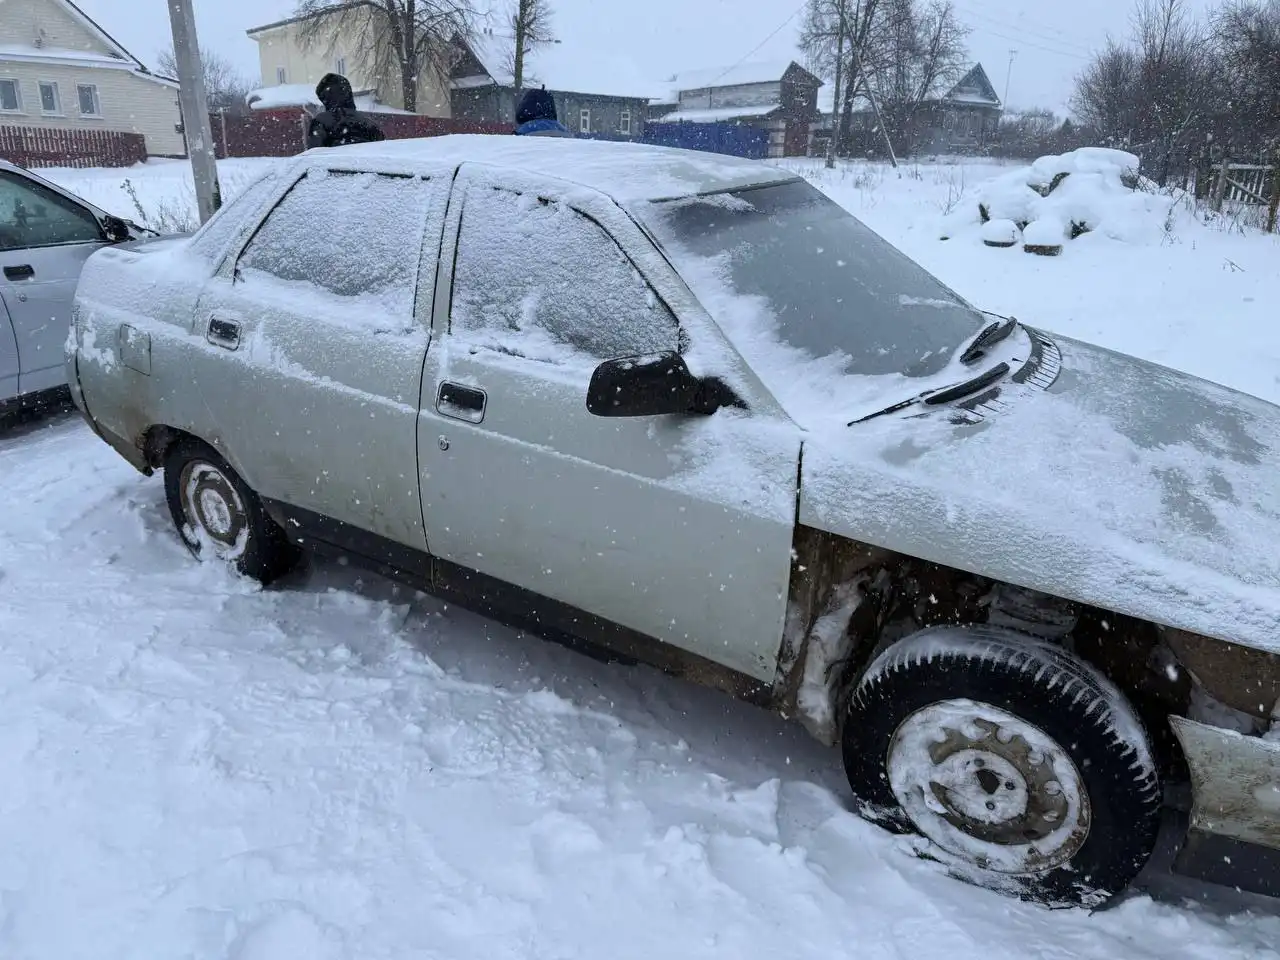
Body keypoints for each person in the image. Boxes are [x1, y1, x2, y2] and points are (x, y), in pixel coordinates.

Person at [306, 73, 386, 149]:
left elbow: (314, 153)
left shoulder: (321, 122)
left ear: (326, 98)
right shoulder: (369, 124)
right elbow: (383, 152)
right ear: (349, 94)